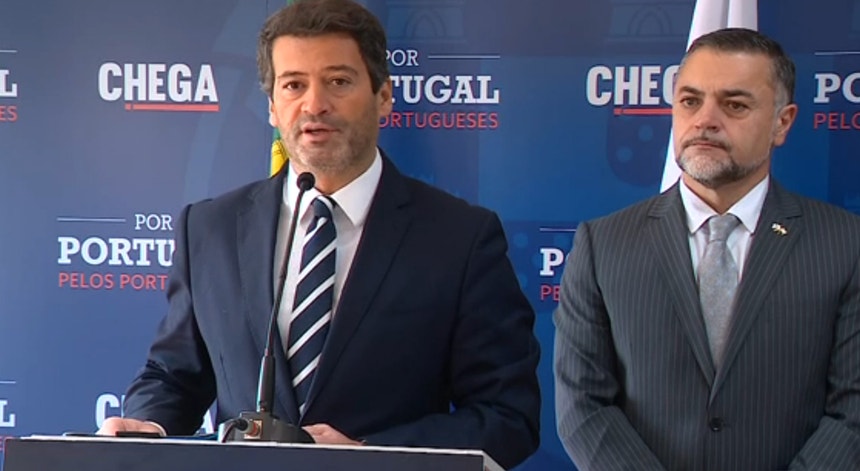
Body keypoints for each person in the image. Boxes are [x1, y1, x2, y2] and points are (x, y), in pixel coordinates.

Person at [98, 0, 541, 468]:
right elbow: (173, 376)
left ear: (384, 96)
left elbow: (508, 417)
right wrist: (151, 425)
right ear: (272, 107)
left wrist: (369, 454)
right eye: (294, 85)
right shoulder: (209, 229)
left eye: (338, 81)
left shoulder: (461, 238)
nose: (314, 105)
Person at [554, 27, 860, 470]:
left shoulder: (846, 245)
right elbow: (583, 408)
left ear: (782, 122)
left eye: (734, 105)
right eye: (690, 101)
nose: (705, 120)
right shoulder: (602, 246)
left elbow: (853, 412)